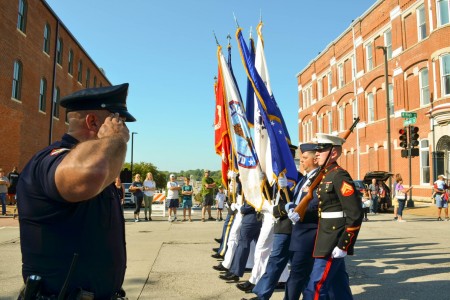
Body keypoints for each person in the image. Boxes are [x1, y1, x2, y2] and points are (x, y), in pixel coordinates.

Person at [16, 83, 134, 299]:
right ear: (93, 121)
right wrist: (113, 139)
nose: (123, 131)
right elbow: (90, 173)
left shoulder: (100, 161)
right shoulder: (50, 160)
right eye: (118, 122)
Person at [303, 133, 363, 300]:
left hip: (333, 241)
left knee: (315, 287)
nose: (317, 154)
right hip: (325, 238)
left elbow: (355, 213)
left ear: (334, 153)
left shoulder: (339, 176)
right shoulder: (326, 175)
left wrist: (344, 244)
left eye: (321, 150)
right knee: (338, 287)